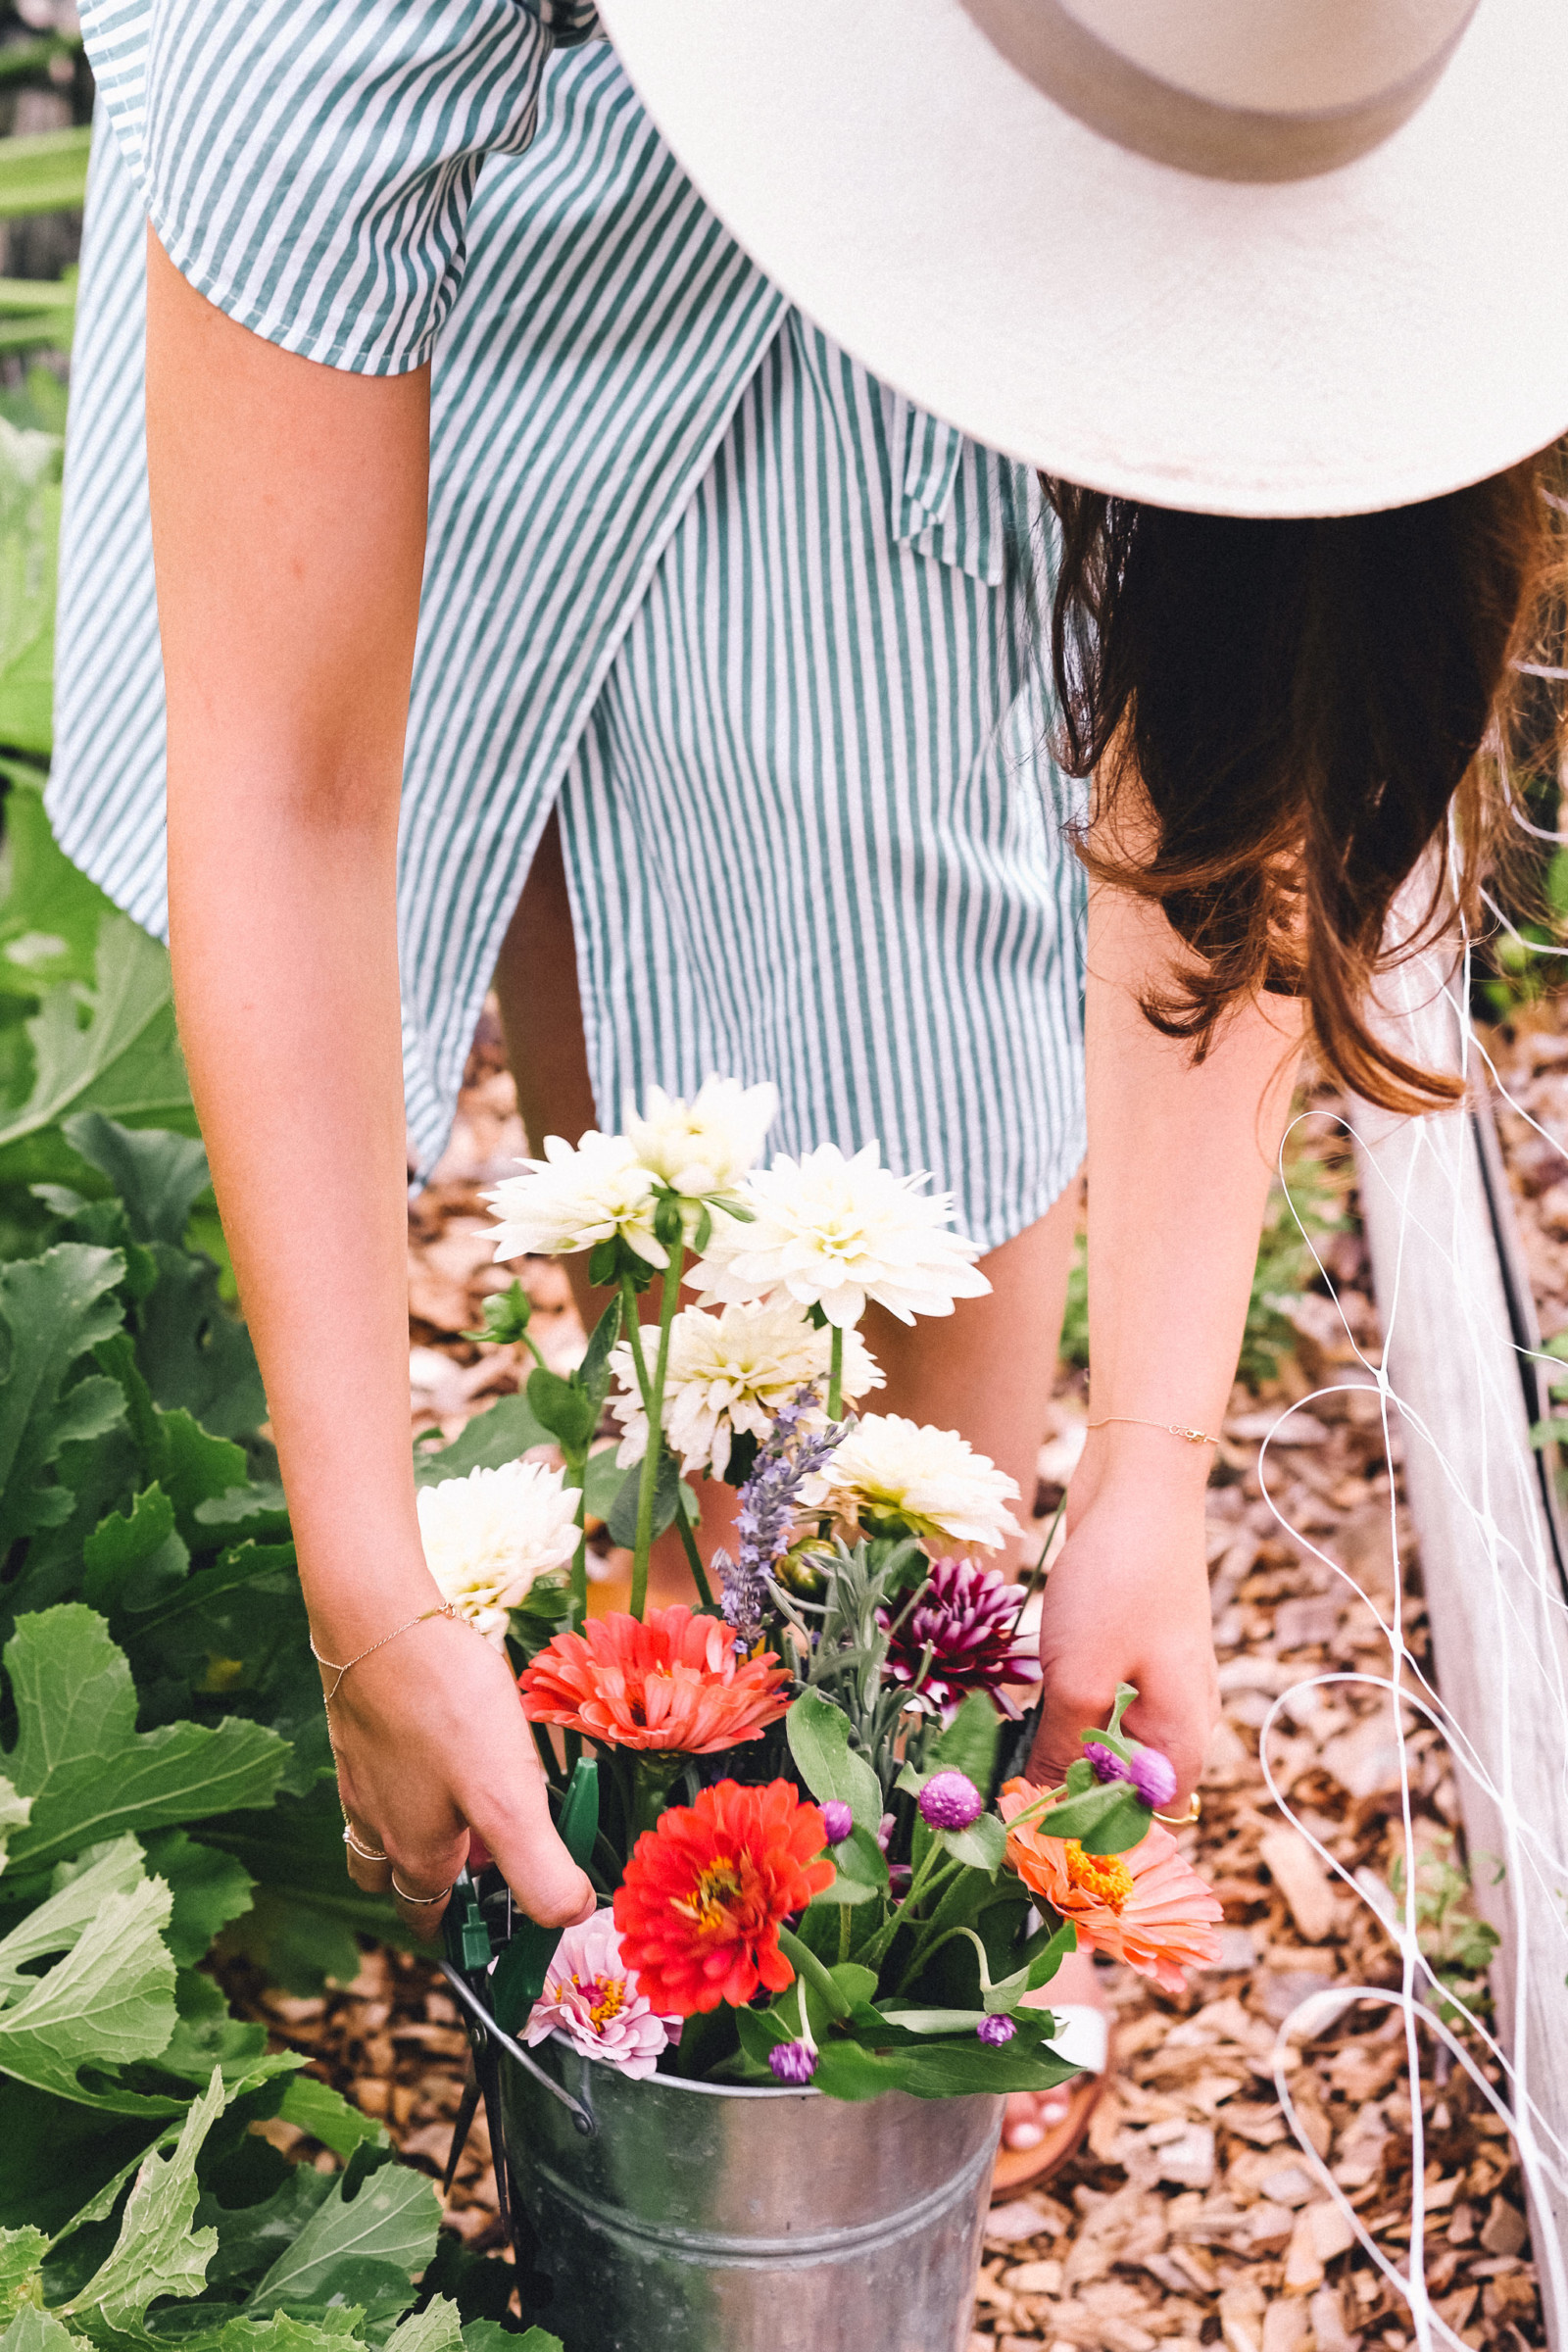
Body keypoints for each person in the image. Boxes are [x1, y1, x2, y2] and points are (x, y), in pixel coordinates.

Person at [59, 0, 1565, 2178]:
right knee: (487, 749)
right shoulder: (333, 35)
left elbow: (1255, 686)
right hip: (515, 168)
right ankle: (666, 1706)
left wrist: (1145, 1457)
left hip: (882, 192)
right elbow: (287, 781)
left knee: (883, 900)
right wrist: (358, 1567)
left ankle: (798, 1750)